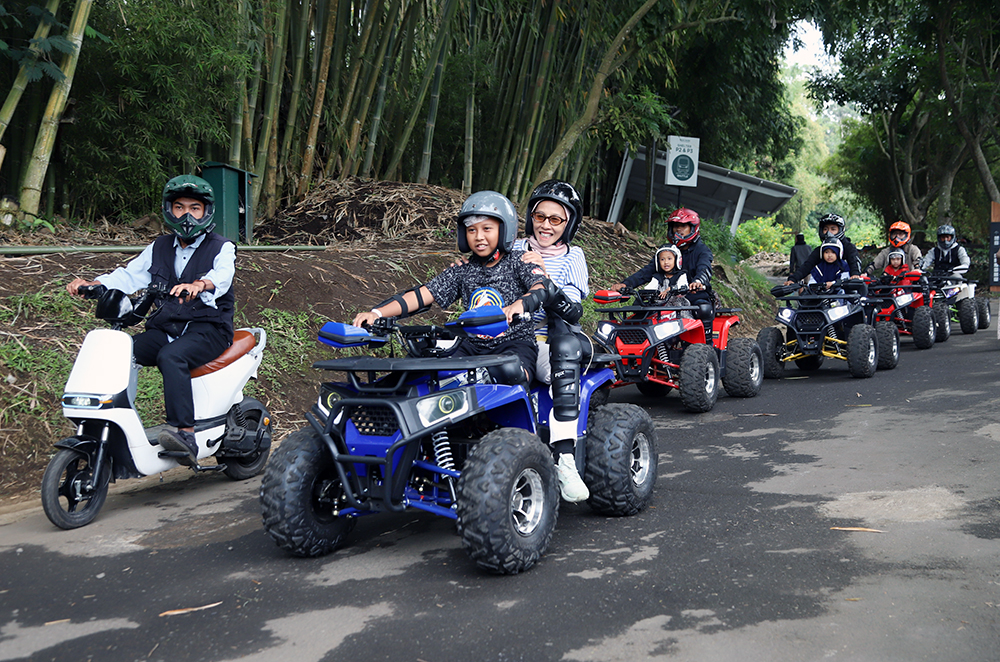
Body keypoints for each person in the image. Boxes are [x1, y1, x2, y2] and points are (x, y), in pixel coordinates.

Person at [66, 175, 236, 464]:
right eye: (180, 207)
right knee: (124, 352)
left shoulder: (221, 247)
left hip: (208, 329)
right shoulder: (158, 247)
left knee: (171, 356)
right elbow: (129, 275)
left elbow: (222, 277)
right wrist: (94, 284)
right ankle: (116, 419)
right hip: (167, 326)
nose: (187, 215)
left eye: (194, 208)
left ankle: (185, 433)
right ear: (169, 210)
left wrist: (200, 284)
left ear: (206, 212)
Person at [512, 180, 591, 502]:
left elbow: (572, 311)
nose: (545, 225)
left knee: (565, 351)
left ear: (568, 223)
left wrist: (543, 279)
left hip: (546, 341)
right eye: (539, 216)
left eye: (555, 219)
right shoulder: (513, 248)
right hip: (505, 338)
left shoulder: (574, 257)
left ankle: (565, 459)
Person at [609, 208, 713, 306]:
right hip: (663, 297)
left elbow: (704, 269)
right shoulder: (667, 250)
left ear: (693, 228)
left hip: (691, 296)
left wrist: (697, 282)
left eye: (683, 226)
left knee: (702, 308)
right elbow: (647, 271)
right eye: (675, 226)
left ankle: (707, 325)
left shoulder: (702, 251)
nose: (678, 229)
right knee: (638, 308)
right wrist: (626, 284)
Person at [786, 213, 863, 285]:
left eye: (833, 229)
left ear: (840, 230)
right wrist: (793, 279)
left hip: (845, 289)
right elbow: (807, 266)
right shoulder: (819, 250)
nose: (829, 233)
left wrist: (855, 274)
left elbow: (854, 262)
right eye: (825, 229)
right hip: (823, 290)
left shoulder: (849, 248)